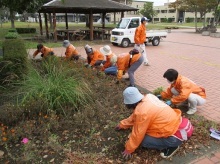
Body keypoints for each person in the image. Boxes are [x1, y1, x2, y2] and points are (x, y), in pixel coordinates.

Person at [115, 87, 194, 159]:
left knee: (143, 141)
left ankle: (171, 146)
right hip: (180, 124)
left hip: (175, 136)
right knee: (142, 134)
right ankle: (170, 142)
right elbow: (135, 116)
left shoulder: (142, 112)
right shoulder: (149, 97)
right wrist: (122, 124)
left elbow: (138, 133)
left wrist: (129, 149)